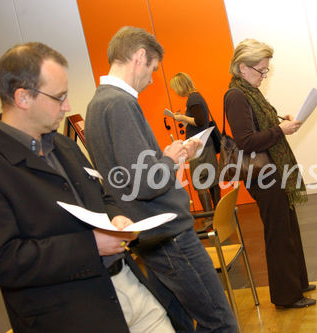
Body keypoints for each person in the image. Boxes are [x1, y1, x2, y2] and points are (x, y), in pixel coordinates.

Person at [0, 42, 185, 333]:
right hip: (70, 314)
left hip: (129, 287)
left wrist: (116, 219)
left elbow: (102, 193)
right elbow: (6, 261)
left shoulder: (63, 144)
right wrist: (91, 246)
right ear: (22, 97)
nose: (68, 107)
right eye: (59, 97)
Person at [84, 26, 238, 332]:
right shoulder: (119, 103)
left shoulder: (99, 103)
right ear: (140, 56)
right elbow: (146, 182)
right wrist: (170, 158)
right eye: (153, 68)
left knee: (176, 323)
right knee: (220, 323)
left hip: (151, 235)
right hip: (168, 233)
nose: (152, 78)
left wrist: (166, 157)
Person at [224, 38, 315, 308]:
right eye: (261, 70)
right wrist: (280, 131)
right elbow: (246, 141)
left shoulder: (249, 92)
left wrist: (279, 123)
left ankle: (296, 283)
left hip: (273, 172)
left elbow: (258, 125)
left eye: (266, 70)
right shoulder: (236, 95)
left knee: (288, 227)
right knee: (278, 233)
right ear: (243, 68)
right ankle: (286, 296)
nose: (264, 75)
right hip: (262, 176)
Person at [169, 72, 221, 214]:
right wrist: (185, 119)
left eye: (175, 88)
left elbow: (199, 121)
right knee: (212, 179)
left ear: (181, 86)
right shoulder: (196, 97)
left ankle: (209, 217)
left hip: (199, 146)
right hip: (205, 143)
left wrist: (182, 117)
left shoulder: (193, 99)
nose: (176, 92)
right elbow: (199, 122)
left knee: (200, 180)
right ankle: (217, 214)